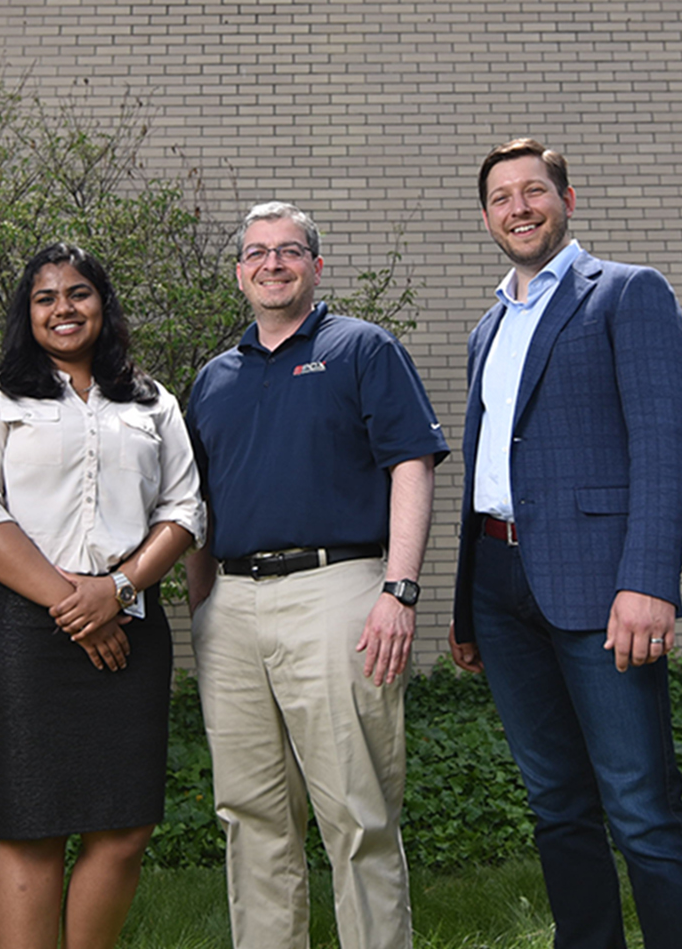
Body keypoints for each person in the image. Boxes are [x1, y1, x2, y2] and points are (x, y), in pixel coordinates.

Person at [449, 139, 682, 949]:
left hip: (604, 586)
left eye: (534, 191)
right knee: (556, 804)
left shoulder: (628, 294)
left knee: (641, 806)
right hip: (501, 583)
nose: (519, 208)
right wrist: (468, 603)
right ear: (486, 216)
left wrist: (649, 581)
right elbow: (488, 469)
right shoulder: (487, 326)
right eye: (502, 197)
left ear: (568, 198)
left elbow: (666, 444)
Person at [183, 201, 448, 949]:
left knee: (356, 812)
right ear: (240, 272)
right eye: (258, 252)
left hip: (339, 592)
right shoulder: (214, 378)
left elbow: (411, 465)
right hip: (231, 607)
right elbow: (197, 503)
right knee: (250, 813)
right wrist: (204, 607)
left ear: (316, 266)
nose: (273, 263)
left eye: (290, 251)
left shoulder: (362, 348)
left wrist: (399, 589)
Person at [0, 242, 203, 949]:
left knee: (125, 826)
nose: (64, 308)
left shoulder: (151, 400)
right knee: (32, 823)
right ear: (27, 314)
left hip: (129, 627)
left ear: (103, 304)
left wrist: (115, 591)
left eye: (78, 293)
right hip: (15, 634)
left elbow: (185, 508)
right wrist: (78, 605)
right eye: (45, 297)